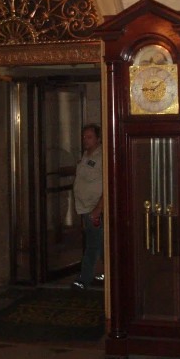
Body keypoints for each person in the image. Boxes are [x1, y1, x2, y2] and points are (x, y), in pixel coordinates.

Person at [71, 123, 104, 291]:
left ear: (98, 139)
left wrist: (98, 209)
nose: (85, 140)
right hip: (85, 208)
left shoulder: (102, 157)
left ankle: (84, 280)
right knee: (102, 243)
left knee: (93, 245)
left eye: (90, 137)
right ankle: (111, 274)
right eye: (84, 137)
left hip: (95, 209)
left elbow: (108, 185)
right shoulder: (85, 155)